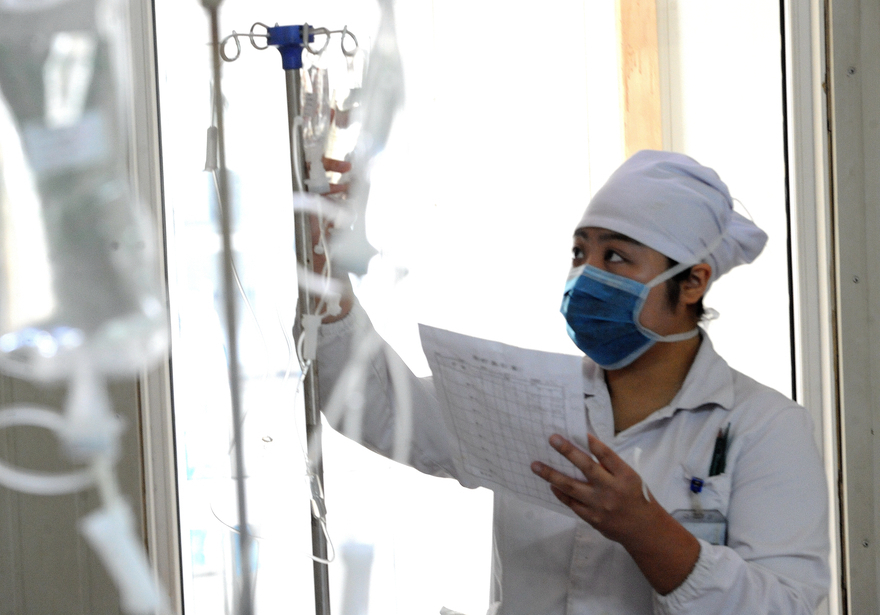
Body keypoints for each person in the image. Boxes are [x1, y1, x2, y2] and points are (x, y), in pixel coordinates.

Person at [309, 150, 829, 614]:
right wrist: (326, 273)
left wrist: (648, 530)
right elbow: (378, 408)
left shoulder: (764, 428)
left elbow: (786, 605)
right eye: (580, 254)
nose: (585, 277)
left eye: (615, 257)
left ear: (693, 281)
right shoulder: (532, 398)